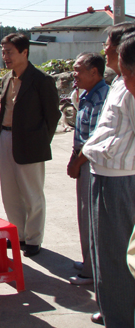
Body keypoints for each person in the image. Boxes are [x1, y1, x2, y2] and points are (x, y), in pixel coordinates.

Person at [82, 23, 135, 327]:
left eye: (107, 44)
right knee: (104, 252)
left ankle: (121, 318)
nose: (104, 49)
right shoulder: (119, 82)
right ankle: (112, 308)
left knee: (116, 256)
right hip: (104, 173)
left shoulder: (131, 85)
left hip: (121, 179)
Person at [0, 33, 60, 257]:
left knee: (32, 194)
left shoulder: (41, 80)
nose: (5, 57)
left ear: (24, 52)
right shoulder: (7, 79)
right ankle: (18, 234)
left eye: (9, 52)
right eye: (3, 52)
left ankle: (33, 238)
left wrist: (40, 141)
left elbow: (52, 116)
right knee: (9, 192)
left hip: (31, 143)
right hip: (5, 138)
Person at [65, 53, 109, 286]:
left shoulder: (103, 96)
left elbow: (93, 138)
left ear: (95, 72)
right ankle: (88, 260)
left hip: (91, 162)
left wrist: (78, 162)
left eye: (79, 69)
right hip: (82, 159)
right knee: (84, 214)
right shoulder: (86, 94)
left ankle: (92, 270)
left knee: (92, 216)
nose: (75, 74)